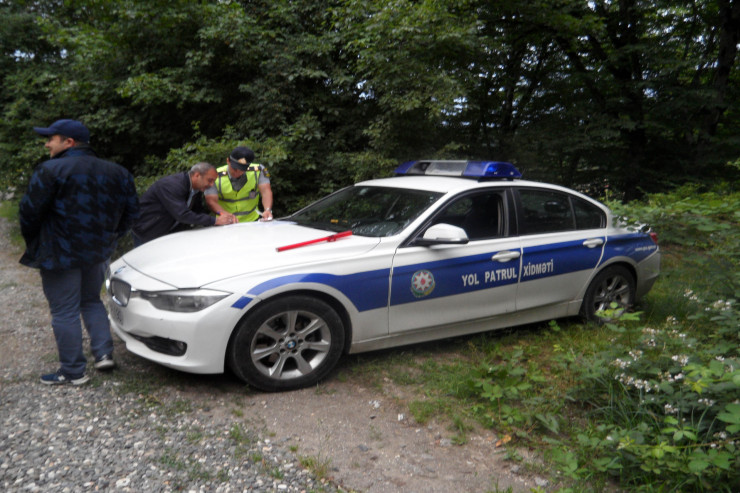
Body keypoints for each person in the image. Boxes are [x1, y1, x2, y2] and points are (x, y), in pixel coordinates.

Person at [19, 119, 139, 385]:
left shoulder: (50, 170)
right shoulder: (119, 172)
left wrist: (37, 242)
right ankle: (104, 354)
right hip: (98, 251)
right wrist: (111, 237)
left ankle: (73, 372)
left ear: (69, 142)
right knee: (92, 301)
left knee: (64, 310)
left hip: (60, 253)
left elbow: (29, 213)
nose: (47, 144)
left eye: (52, 138)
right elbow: (132, 213)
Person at [132, 162, 236, 245]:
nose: (211, 185)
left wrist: (222, 218)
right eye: (209, 180)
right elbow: (182, 215)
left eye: (213, 181)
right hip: (147, 232)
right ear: (197, 175)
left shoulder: (196, 189)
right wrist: (215, 221)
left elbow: (198, 212)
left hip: (168, 235)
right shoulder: (172, 185)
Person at [204, 146, 274, 222]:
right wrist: (223, 214)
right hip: (226, 222)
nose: (238, 172)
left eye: (242, 169)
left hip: (252, 221)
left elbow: (266, 192)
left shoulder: (258, 170)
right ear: (228, 161)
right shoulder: (215, 175)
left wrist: (267, 209)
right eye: (234, 168)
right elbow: (211, 201)